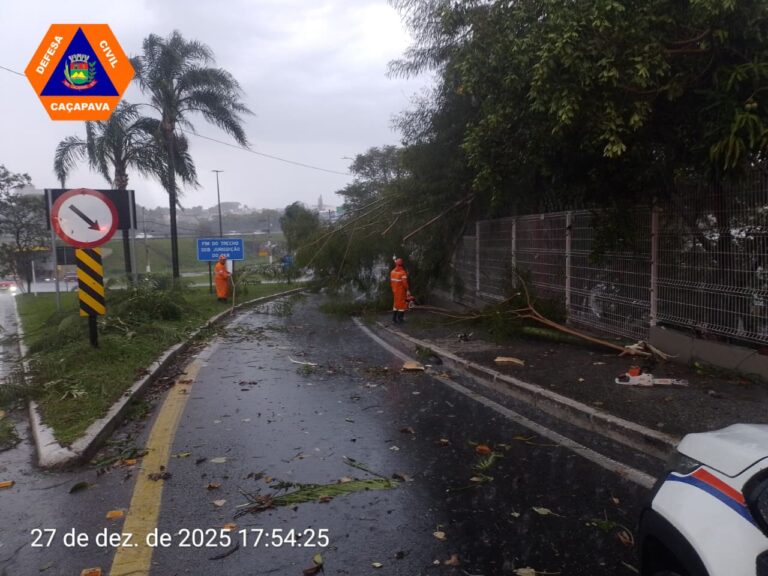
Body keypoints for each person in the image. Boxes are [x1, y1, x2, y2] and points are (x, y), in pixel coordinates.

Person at [390, 257, 410, 324]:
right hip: (401, 292)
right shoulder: (402, 273)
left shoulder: (392, 272)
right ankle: (400, 319)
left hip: (395, 291)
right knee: (402, 305)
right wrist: (407, 290)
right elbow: (405, 283)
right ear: (402, 264)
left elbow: (392, 282)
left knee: (395, 304)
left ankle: (394, 319)